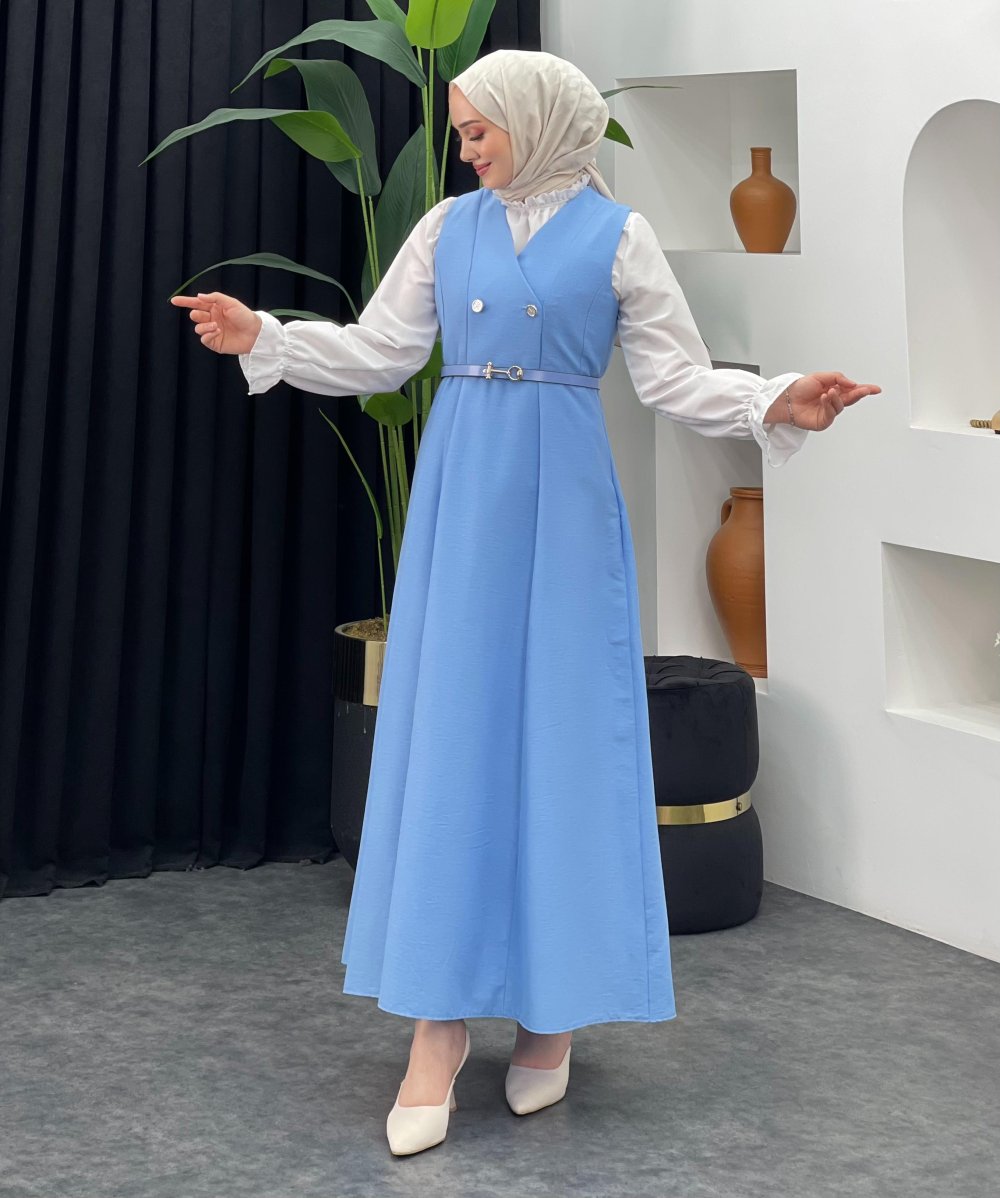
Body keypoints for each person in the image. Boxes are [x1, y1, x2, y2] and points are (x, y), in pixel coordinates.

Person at [170, 49, 881, 1156]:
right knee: (453, 738)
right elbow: (378, 352)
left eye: (477, 129)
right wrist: (263, 334)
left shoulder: (619, 237)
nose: (464, 149)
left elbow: (674, 378)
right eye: (461, 130)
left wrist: (778, 398)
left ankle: (552, 1015)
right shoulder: (445, 229)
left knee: (563, 741)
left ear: (539, 122)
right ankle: (438, 1029)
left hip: (566, 507)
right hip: (463, 496)